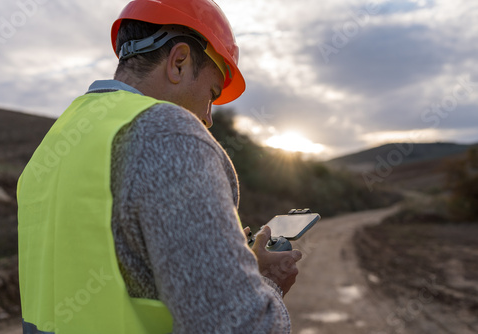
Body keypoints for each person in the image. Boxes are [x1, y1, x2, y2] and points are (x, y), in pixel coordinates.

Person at [17, 0, 303, 333]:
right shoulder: (170, 133)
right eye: (211, 94)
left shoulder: (54, 145)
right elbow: (239, 325)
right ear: (179, 62)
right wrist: (266, 285)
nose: (208, 118)